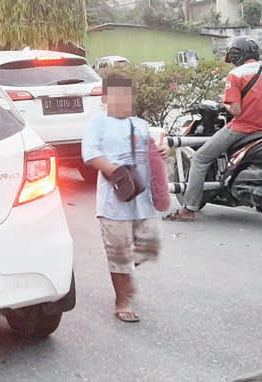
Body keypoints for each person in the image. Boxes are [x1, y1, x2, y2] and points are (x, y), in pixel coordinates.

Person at [164, 36, 262, 222]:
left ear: (236, 56)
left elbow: (235, 109)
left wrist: (224, 106)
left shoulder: (236, 75)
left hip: (243, 128)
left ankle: (188, 209)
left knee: (201, 158)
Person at [82, 74, 166, 323]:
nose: (123, 101)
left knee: (148, 247)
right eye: (117, 96)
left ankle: (127, 272)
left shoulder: (140, 124)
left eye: (127, 96)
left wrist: (162, 151)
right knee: (118, 253)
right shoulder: (98, 123)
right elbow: (90, 153)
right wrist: (116, 174)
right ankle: (122, 300)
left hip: (143, 200)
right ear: (106, 98)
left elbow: (153, 151)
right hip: (114, 200)